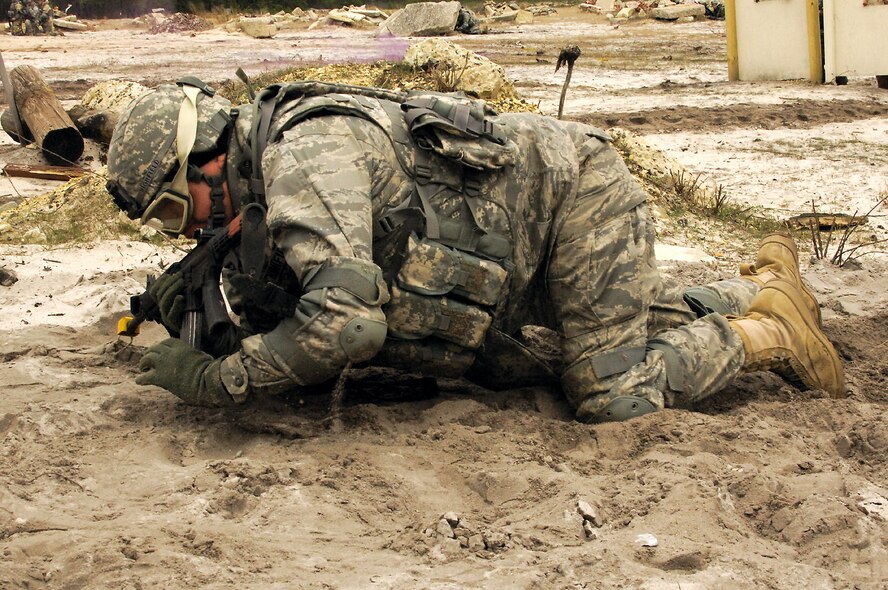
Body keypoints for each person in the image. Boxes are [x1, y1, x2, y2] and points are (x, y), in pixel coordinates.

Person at [105, 78, 844, 422]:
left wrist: (221, 380)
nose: (188, 229)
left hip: (573, 201)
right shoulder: (266, 169)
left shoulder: (302, 154)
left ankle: (764, 333)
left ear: (204, 156)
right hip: (511, 267)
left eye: (178, 209)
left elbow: (347, 324)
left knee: (608, 392)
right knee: (611, 329)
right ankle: (760, 287)